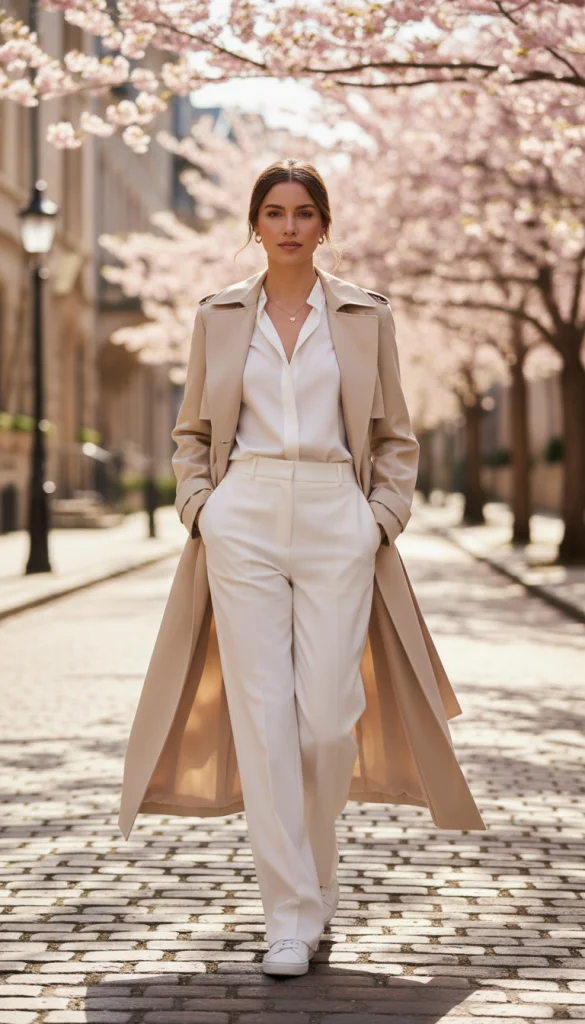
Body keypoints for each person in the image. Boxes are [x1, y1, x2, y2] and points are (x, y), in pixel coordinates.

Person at [117, 157, 486, 979]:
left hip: (334, 515)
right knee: (264, 721)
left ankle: (316, 889)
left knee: (324, 719)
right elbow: (189, 434)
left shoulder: (362, 315)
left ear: (324, 225)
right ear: (254, 224)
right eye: (275, 212)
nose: (289, 225)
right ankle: (288, 915)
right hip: (241, 515)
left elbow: (393, 434)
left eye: (304, 212)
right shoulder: (217, 316)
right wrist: (201, 508)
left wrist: (378, 519)